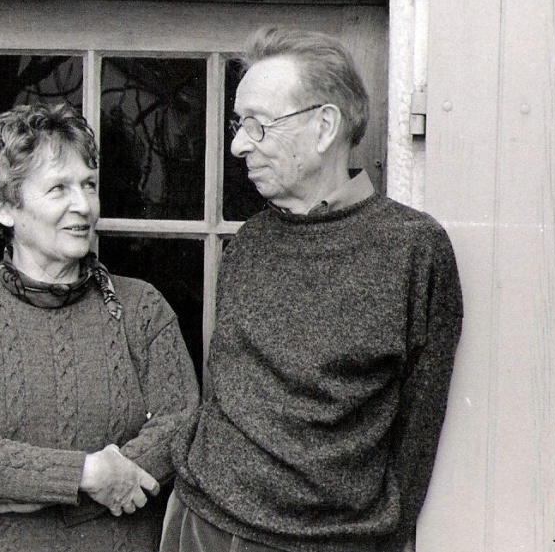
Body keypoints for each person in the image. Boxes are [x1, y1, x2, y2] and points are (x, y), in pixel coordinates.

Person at [161, 27, 463, 552]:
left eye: (256, 125)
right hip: (200, 520)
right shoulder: (250, 241)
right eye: (239, 125)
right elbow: (225, 389)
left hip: (326, 543)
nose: (237, 145)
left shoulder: (414, 248)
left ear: (324, 126)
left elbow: (418, 431)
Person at [0, 102, 199, 552]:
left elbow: (181, 425)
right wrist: (86, 475)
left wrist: (54, 494)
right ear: (5, 207)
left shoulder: (141, 308)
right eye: (58, 188)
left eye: (89, 185)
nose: (83, 205)